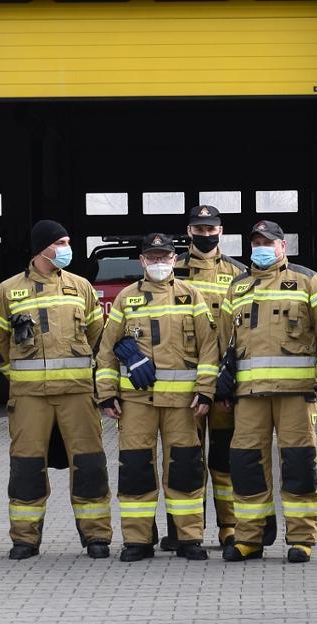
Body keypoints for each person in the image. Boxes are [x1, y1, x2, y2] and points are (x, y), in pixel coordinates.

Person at [0, 220, 113, 559]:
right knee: (26, 467)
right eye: (59, 242)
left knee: (89, 465)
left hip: (76, 394)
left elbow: (96, 335)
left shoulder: (81, 287)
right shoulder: (8, 291)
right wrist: (13, 375)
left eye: (67, 242)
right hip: (30, 397)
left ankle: (96, 537)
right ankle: (25, 540)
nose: (65, 248)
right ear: (41, 248)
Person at [98, 233, 220, 561]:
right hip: (136, 404)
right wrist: (107, 395)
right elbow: (107, 350)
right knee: (136, 470)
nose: (158, 263)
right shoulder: (126, 297)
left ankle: (188, 538)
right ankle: (137, 541)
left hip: (183, 405)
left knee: (185, 470)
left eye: (164, 257)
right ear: (142, 261)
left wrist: (206, 390)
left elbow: (210, 348)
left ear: (174, 259)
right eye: (152, 257)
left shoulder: (191, 296)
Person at [217, 219, 317, 563]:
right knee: (247, 464)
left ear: (283, 246)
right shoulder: (237, 288)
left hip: (296, 393)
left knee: (298, 464)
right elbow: (224, 341)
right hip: (249, 395)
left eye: (268, 242)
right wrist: (220, 383)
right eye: (256, 242)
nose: (261, 248)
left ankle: (300, 538)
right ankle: (249, 538)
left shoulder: (309, 281)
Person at [173, 204, 250, 551]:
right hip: (182, 384)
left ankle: (229, 527)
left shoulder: (238, 273)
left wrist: (230, 378)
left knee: (223, 460)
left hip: (222, 385)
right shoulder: (172, 272)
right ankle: (185, 530)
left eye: (211, 229)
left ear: (221, 231)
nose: (205, 235)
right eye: (198, 230)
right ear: (189, 232)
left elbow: (245, 329)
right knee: (187, 460)